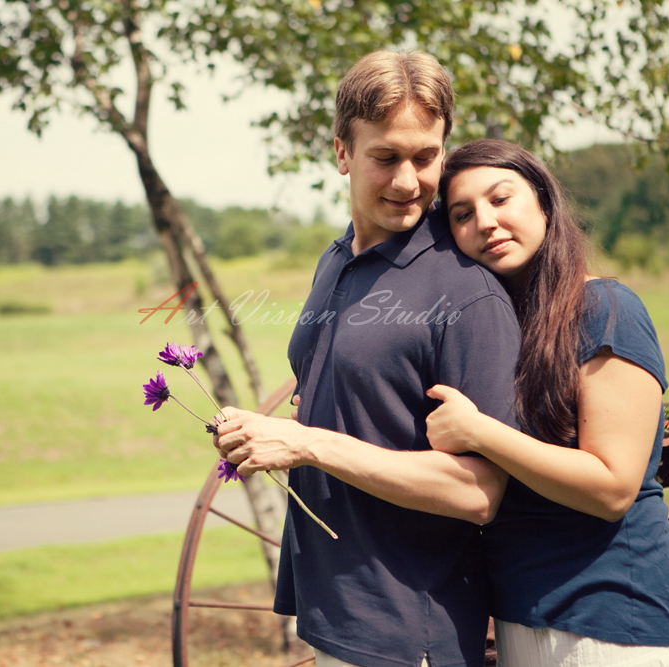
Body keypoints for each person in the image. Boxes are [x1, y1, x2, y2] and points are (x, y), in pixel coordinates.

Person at [213, 51, 521, 667]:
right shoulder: (335, 263)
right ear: (342, 154)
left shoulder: (466, 294)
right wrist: (265, 433)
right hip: (337, 614)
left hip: (411, 630)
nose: (408, 182)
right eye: (385, 157)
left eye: (425, 157)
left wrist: (305, 444)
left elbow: (479, 493)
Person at [427, 138, 669, 666]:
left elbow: (612, 487)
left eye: (500, 198)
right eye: (463, 214)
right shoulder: (499, 332)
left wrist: (479, 431)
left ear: (542, 200)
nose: (485, 221)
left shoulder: (603, 309)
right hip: (524, 623)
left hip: (616, 624)